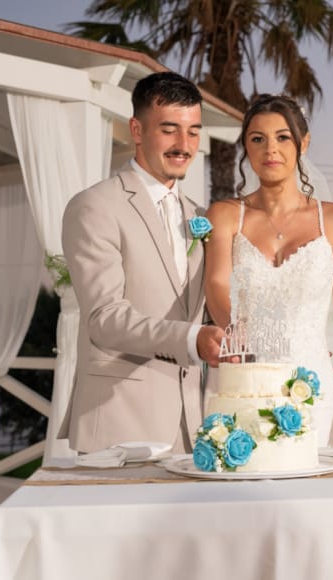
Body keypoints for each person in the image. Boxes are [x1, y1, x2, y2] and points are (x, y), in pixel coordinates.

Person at [59, 71, 224, 454]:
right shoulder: (95, 206)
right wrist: (191, 339)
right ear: (136, 129)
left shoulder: (199, 215)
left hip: (192, 428)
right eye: (169, 130)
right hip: (119, 422)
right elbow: (104, 318)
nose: (184, 145)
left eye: (194, 132)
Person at [204, 94, 333, 446]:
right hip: (243, 376)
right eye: (257, 139)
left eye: (282, 137)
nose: (270, 150)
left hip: (310, 383)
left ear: (303, 143)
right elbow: (216, 284)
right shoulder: (225, 215)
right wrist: (238, 338)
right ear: (246, 147)